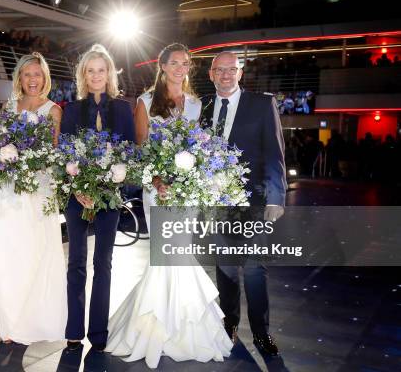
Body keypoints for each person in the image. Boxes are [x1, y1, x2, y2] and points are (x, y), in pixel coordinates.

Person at [106, 43, 232, 368]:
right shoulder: (145, 102)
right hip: (158, 191)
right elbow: (141, 148)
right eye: (175, 63)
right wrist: (160, 180)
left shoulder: (194, 103)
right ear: (162, 66)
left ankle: (180, 329)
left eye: (186, 63)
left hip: (185, 192)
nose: (181, 68)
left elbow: (196, 146)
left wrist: (192, 177)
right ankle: (158, 331)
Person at [200, 51, 286, 356]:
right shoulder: (205, 107)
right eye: (219, 70)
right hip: (216, 204)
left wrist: (276, 197)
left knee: (252, 269)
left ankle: (261, 333)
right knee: (225, 269)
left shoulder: (262, 104)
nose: (225, 75)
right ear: (211, 74)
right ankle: (229, 325)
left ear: (240, 73)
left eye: (231, 70)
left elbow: (275, 154)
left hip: (254, 201)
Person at [60, 44, 136, 352]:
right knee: (76, 262)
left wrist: (108, 187)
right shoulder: (70, 109)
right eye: (90, 70)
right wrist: (78, 187)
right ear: (83, 75)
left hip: (110, 197)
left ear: (109, 74)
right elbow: (64, 152)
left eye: (100, 70)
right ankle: (74, 330)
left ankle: (99, 333)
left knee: (103, 263)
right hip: (76, 196)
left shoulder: (122, 108)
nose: (95, 75)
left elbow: (129, 152)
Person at [0, 52, 66, 344]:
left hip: (39, 191)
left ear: (45, 78)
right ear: (19, 77)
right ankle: (10, 324)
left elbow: (56, 154)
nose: (33, 80)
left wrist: (33, 164)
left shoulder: (53, 110)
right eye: (27, 74)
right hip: (6, 194)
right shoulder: (7, 108)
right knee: (5, 256)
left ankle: (35, 322)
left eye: (38, 74)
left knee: (35, 254)